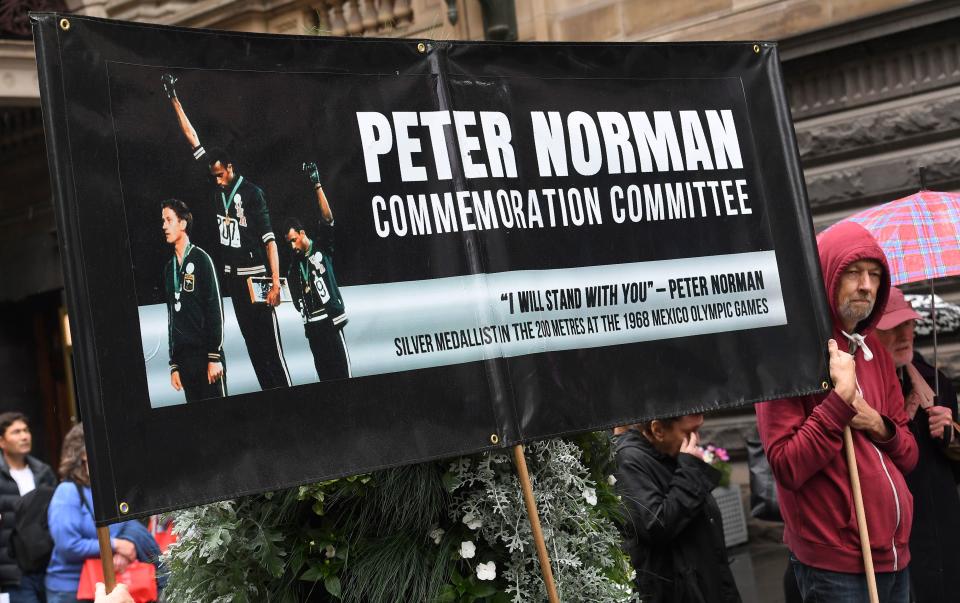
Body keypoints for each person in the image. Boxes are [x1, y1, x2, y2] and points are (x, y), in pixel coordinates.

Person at [755, 221, 918, 603]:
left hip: (895, 557)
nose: (866, 285)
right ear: (826, 274)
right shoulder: (787, 354)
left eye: (875, 275)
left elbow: (909, 454)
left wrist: (876, 422)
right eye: (854, 273)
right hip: (836, 566)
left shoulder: (873, 350)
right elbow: (786, 466)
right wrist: (839, 402)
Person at [161, 73, 290, 391]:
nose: (216, 180)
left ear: (230, 168)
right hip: (233, 277)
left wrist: (275, 283)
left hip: (255, 275)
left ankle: (289, 397)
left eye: (220, 175)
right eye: (214, 176)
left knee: (271, 347)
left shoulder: (253, 193)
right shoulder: (213, 185)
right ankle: (272, 399)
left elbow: (270, 240)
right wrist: (173, 98)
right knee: (253, 348)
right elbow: (193, 138)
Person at [874, 286, 960, 603]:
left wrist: (951, 434)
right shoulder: (858, 390)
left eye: (908, 323)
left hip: (943, 535)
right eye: (891, 327)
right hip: (892, 542)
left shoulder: (935, 382)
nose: (904, 334)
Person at [613, 414, 741, 603]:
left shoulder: (671, 452)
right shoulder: (629, 459)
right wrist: (689, 470)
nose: (695, 439)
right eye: (689, 432)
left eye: (698, 429)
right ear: (658, 430)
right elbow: (656, 524)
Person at [44, 425, 148, 603]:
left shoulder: (107, 490)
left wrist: (122, 551)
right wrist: (115, 545)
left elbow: (125, 526)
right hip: (71, 591)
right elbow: (67, 545)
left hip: (108, 585)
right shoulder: (67, 491)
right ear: (84, 454)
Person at [282, 162, 350, 381]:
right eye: (289, 243)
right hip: (312, 327)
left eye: (293, 240)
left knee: (343, 377)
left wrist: (317, 184)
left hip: (330, 322)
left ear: (302, 233)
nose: (292, 246)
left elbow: (328, 219)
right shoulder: (294, 265)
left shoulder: (321, 247)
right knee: (325, 379)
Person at [161, 199, 227, 401]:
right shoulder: (168, 269)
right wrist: (174, 365)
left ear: (182, 224)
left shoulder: (201, 259)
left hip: (207, 358)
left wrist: (214, 356)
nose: (164, 226)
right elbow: (172, 319)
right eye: (162, 221)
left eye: (168, 220)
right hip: (185, 363)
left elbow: (215, 309)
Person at [0, 412, 56, 603]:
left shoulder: (43, 472)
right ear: (1, 441)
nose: (24, 436)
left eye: (26, 430)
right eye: (16, 432)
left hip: (46, 566)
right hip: (14, 572)